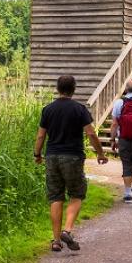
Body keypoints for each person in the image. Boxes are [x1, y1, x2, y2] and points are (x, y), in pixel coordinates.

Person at [34, 75, 108, 252]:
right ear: (73, 89)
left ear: (58, 89)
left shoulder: (48, 109)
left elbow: (41, 135)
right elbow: (90, 134)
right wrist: (100, 153)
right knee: (77, 193)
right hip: (73, 157)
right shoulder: (79, 109)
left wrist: (37, 154)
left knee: (55, 197)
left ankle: (56, 241)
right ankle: (67, 230)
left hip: (52, 157)